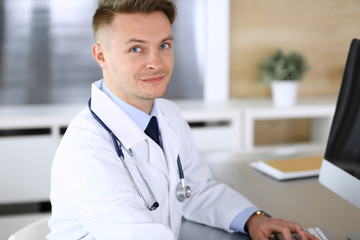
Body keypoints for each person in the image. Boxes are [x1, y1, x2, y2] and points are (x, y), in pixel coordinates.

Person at [47, 1, 318, 239]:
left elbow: (195, 191)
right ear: (101, 56)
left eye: (164, 45)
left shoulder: (168, 115)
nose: (156, 62)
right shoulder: (87, 153)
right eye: (136, 49)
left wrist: (254, 219)